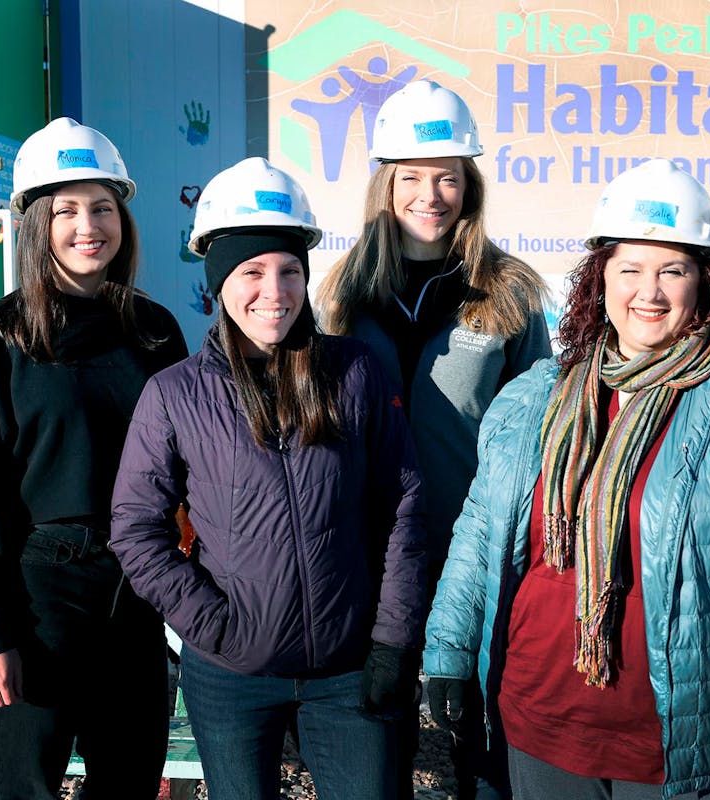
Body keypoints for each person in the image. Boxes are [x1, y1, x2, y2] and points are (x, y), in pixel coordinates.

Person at [422, 158, 710, 800]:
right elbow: (479, 537)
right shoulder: (534, 396)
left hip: (682, 743)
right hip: (538, 723)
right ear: (599, 281)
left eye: (672, 270)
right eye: (630, 270)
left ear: (704, 282)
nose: (649, 292)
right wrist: (447, 655)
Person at [110, 157, 427, 800]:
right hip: (230, 674)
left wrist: (393, 638)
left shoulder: (355, 372)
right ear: (218, 283)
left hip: (348, 667)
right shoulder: (175, 395)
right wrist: (215, 626)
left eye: (289, 271)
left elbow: (403, 504)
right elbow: (135, 529)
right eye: (251, 271)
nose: (274, 292)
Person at [0, 117, 187, 799]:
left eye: (102, 207)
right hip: (36, 593)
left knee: (129, 778)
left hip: (135, 590)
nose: (88, 225)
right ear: (36, 223)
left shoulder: (156, 332)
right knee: (28, 788)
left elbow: (192, 468)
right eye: (68, 209)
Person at [317, 79, 550, 799]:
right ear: (385, 187)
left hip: (474, 550)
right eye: (412, 177)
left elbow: (538, 425)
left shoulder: (508, 290)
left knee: (479, 744)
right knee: (379, 734)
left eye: (447, 177)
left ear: (468, 186)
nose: (430, 193)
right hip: (374, 552)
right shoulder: (344, 293)